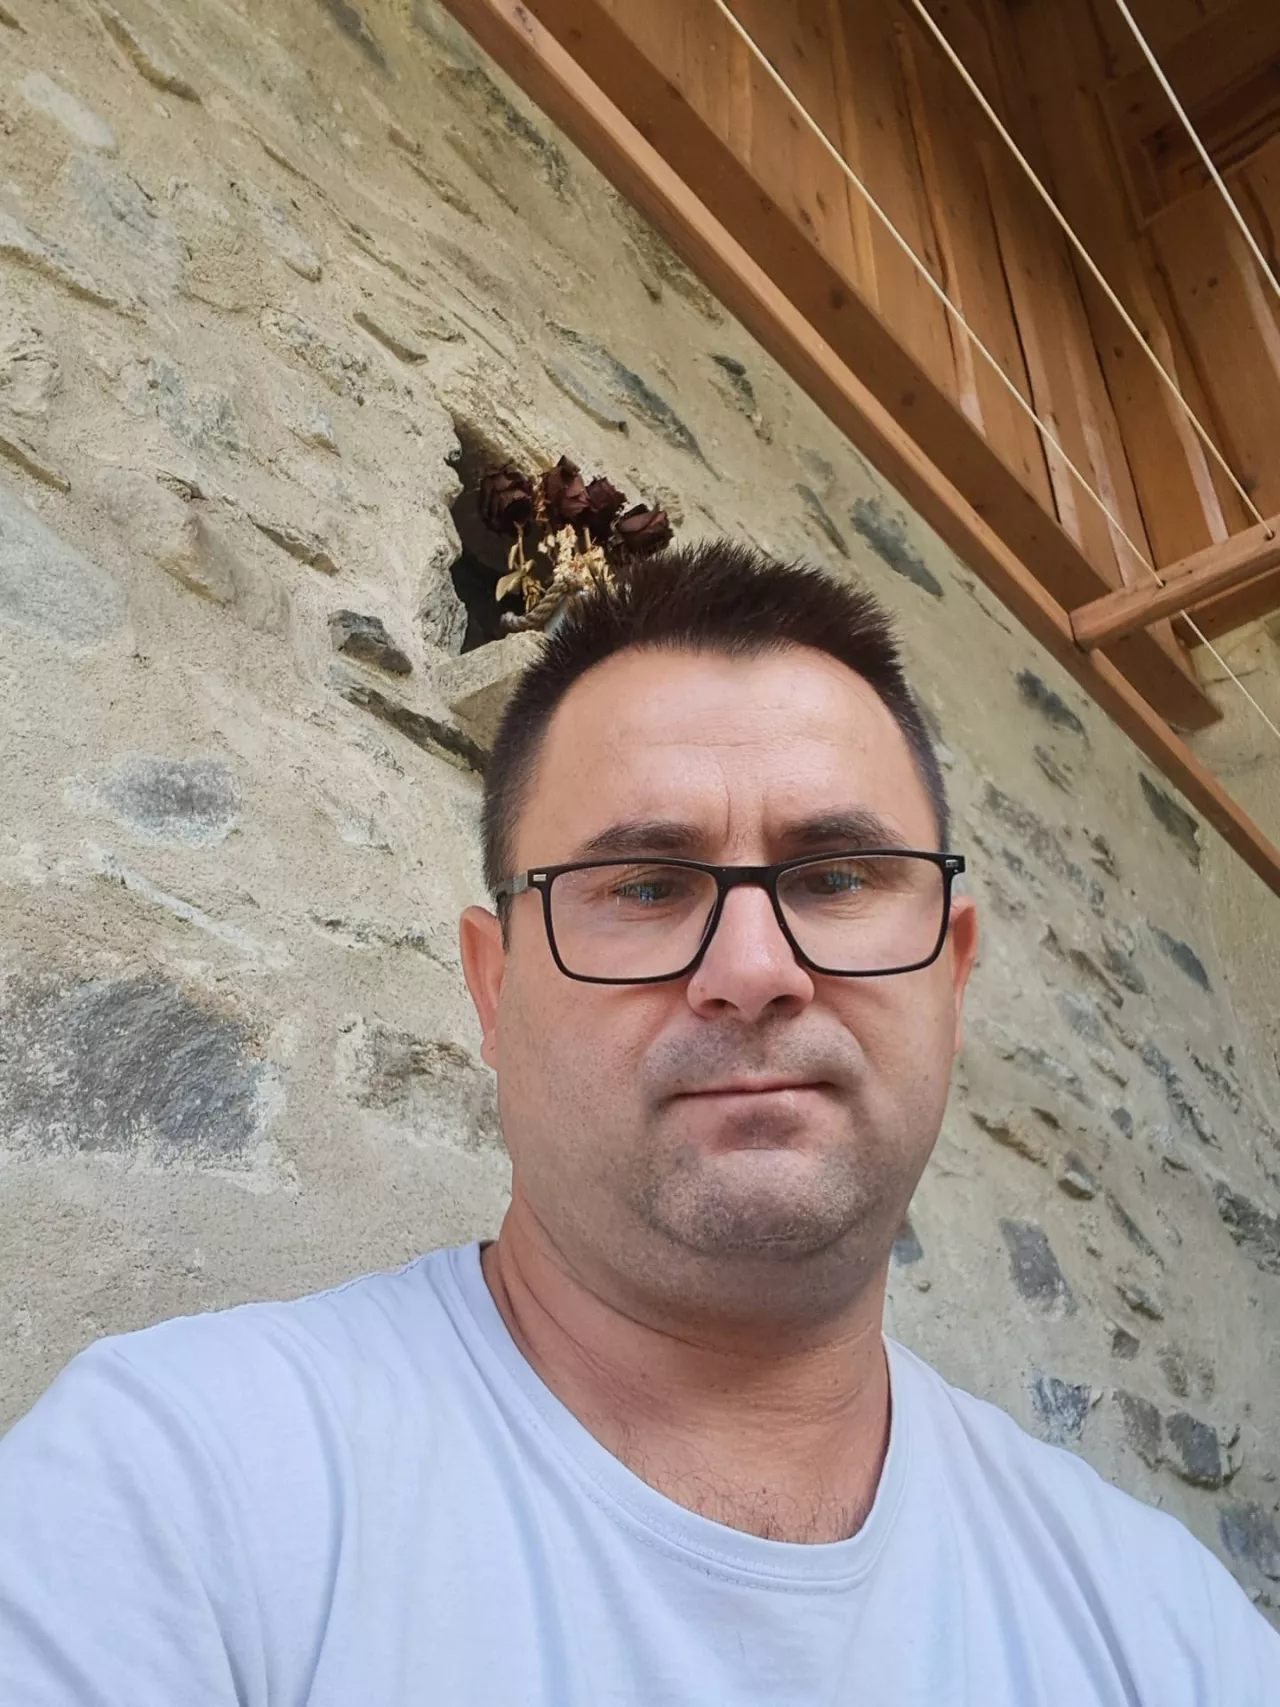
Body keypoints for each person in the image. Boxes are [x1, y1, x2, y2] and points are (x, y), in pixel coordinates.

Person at [0, 542, 1275, 1705]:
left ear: (949, 973)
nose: (753, 969)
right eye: (647, 886)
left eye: (835, 877)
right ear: (494, 988)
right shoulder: (174, 1497)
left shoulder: (1165, 1631)